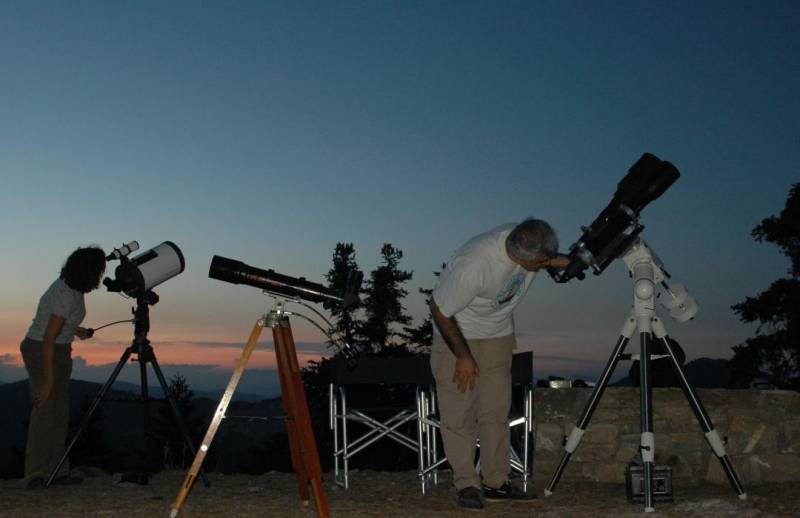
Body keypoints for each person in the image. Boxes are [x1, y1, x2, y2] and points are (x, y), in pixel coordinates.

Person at [429, 219, 569, 509]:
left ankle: (496, 483)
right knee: (460, 414)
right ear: (520, 257)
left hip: (498, 336)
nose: (545, 265)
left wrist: (564, 261)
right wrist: (463, 357)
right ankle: (467, 484)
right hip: (457, 336)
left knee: (495, 412)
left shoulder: (528, 241)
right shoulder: (475, 263)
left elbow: (550, 259)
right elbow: (440, 310)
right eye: (541, 262)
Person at [21, 245, 106, 489]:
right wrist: (47, 383)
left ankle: (57, 470)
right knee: (46, 409)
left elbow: (59, 325)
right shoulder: (66, 294)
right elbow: (48, 338)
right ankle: (35, 473)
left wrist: (77, 331)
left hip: (58, 348)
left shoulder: (73, 289)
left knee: (59, 412)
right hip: (42, 349)